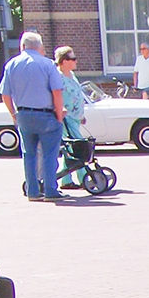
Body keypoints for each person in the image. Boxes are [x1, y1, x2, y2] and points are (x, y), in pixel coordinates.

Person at [0, 31, 67, 202]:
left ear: (22, 46)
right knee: (50, 154)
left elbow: (5, 94)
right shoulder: (48, 64)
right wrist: (59, 115)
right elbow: (57, 92)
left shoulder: (11, 65)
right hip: (46, 114)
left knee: (29, 154)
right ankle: (50, 190)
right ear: (40, 46)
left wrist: (14, 114)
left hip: (23, 114)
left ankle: (33, 191)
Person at [53, 45, 86, 190]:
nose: (75, 61)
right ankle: (84, 177)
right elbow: (55, 96)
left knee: (70, 148)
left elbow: (77, 95)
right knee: (78, 146)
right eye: (72, 59)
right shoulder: (58, 77)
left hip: (75, 117)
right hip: (66, 118)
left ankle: (66, 180)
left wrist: (81, 115)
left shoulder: (72, 75)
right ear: (64, 61)